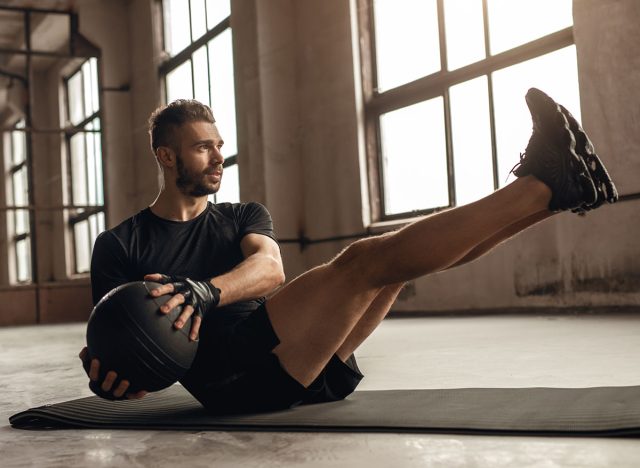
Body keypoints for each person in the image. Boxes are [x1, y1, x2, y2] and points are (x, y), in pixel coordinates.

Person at [79, 88, 617, 413]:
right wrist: (115, 378)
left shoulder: (242, 215)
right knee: (366, 260)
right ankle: (543, 186)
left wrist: (204, 292)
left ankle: (549, 197)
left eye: (220, 145)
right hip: (232, 382)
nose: (219, 157)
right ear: (167, 157)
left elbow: (269, 270)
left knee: (392, 265)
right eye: (203, 147)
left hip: (299, 356)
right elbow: (114, 346)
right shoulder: (120, 244)